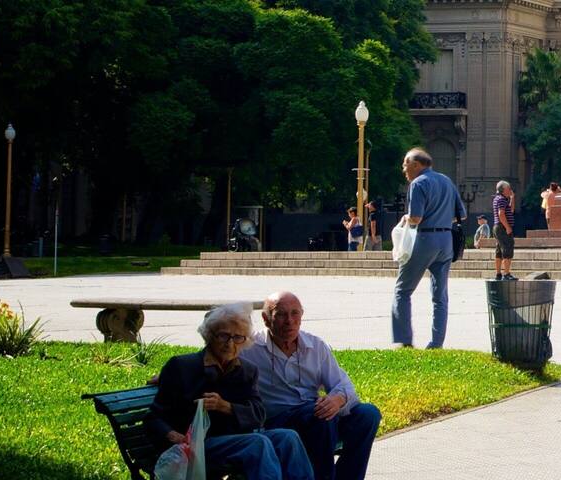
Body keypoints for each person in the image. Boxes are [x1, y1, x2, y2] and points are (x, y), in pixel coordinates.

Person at [146, 303, 315, 480]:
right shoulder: (182, 366)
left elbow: (258, 415)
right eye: (223, 336)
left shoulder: (247, 371)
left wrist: (225, 406)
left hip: (236, 441)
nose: (230, 343)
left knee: (288, 437)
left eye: (238, 337)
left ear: (245, 341)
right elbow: (154, 417)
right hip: (197, 446)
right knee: (258, 443)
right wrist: (172, 435)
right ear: (209, 335)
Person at [243, 292, 383, 480]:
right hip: (278, 420)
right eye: (281, 314)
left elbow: (344, 386)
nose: (289, 321)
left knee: (368, 414)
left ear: (302, 316)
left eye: (295, 313)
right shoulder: (249, 349)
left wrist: (338, 399)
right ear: (266, 318)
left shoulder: (315, 346)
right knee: (321, 416)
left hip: (314, 416)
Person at [391, 148, 464, 349]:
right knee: (440, 296)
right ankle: (436, 344)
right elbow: (462, 214)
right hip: (446, 241)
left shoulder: (418, 183)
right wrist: (441, 219)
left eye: (405, 164)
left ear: (416, 164)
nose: (403, 169)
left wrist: (406, 218)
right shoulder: (447, 181)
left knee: (402, 290)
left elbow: (416, 218)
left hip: (424, 239)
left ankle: (404, 341)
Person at [492, 181, 517, 281]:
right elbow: (501, 214)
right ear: (503, 190)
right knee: (507, 248)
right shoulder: (501, 199)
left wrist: (512, 198)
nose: (510, 190)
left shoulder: (499, 199)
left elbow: (511, 210)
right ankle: (506, 274)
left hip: (498, 227)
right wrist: (507, 227)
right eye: (508, 188)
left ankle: (498, 274)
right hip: (502, 227)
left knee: (499, 250)